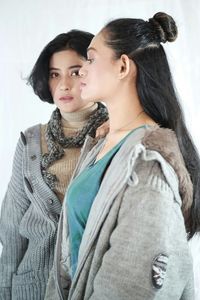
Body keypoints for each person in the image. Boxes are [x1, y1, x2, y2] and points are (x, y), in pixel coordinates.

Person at [45, 12, 200, 300]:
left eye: (90, 59)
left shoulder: (150, 166)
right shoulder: (102, 143)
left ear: (123, 67)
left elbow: (131, 287)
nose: (82, 71)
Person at [0, 30, 108, 300]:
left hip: (94, 284)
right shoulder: (29, 141)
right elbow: (12, 229)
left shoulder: (116, 136)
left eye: (75, 72)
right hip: (32, 285)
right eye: (54, 74)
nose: (64, 85)